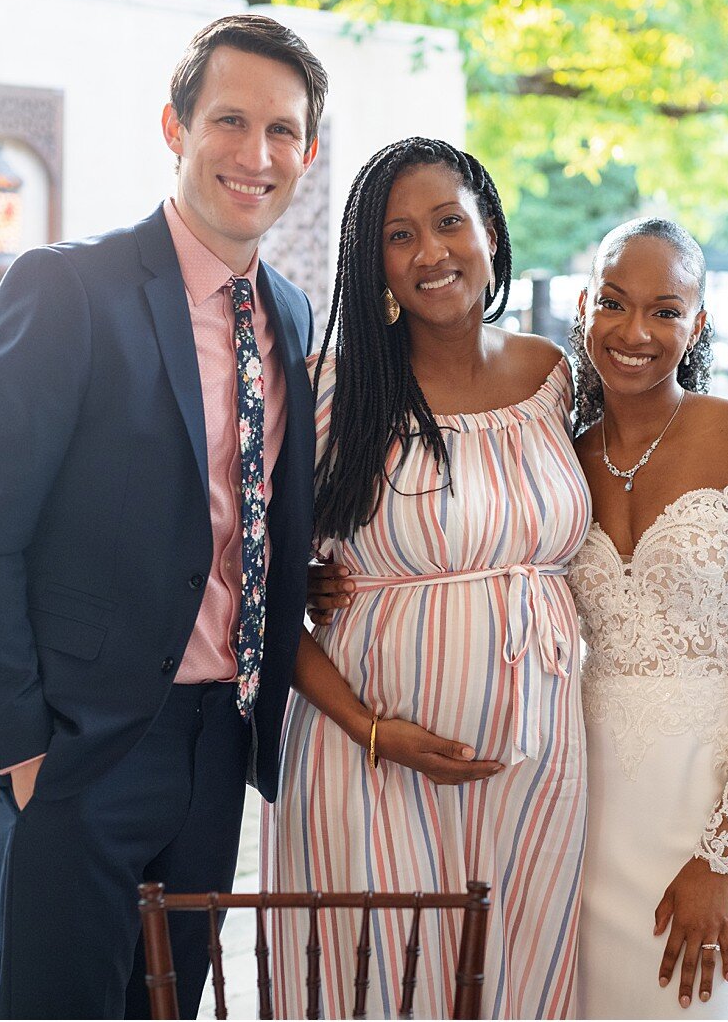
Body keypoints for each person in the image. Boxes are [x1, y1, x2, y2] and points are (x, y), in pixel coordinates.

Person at [0, 15, 326, 1018]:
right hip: (78, 751)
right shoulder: (69, 288)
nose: (256, 153)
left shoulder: (290, 312)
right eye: (230, 120)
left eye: (282, 130)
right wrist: (20, 750)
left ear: (308, 152)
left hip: (217, 748)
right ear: (175, 127)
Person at [265, 137, 589, 1019]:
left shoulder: (556, 378)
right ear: (375, 266)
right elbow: (256, 591)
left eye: (450, 221)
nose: (432, 252)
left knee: (521, 977)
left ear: (490, 230)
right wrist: (373, 730)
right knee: (381, 988)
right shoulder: (332, 392)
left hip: (540, 758)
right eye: (400, 236)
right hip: (368, 759)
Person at [565, 218, 728, 1018]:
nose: (635, 331)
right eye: (614, 302)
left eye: (666, 310)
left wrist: (722, 853)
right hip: (586, 808)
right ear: (584, 308)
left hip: (712, 807)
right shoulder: (561, 458)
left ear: (698, 322)